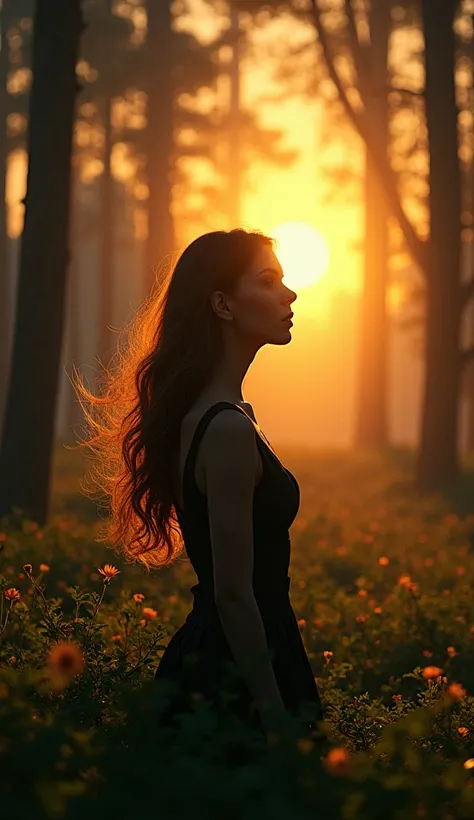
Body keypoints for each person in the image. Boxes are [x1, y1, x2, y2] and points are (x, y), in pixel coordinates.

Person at [73, 228, 325, 746]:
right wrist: (276, 719)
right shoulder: (227, 429)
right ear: (223, 305)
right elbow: (234, 594)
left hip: (233, 650)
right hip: (234, 669)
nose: (290, 293)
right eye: (269, 280)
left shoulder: (227, 417)